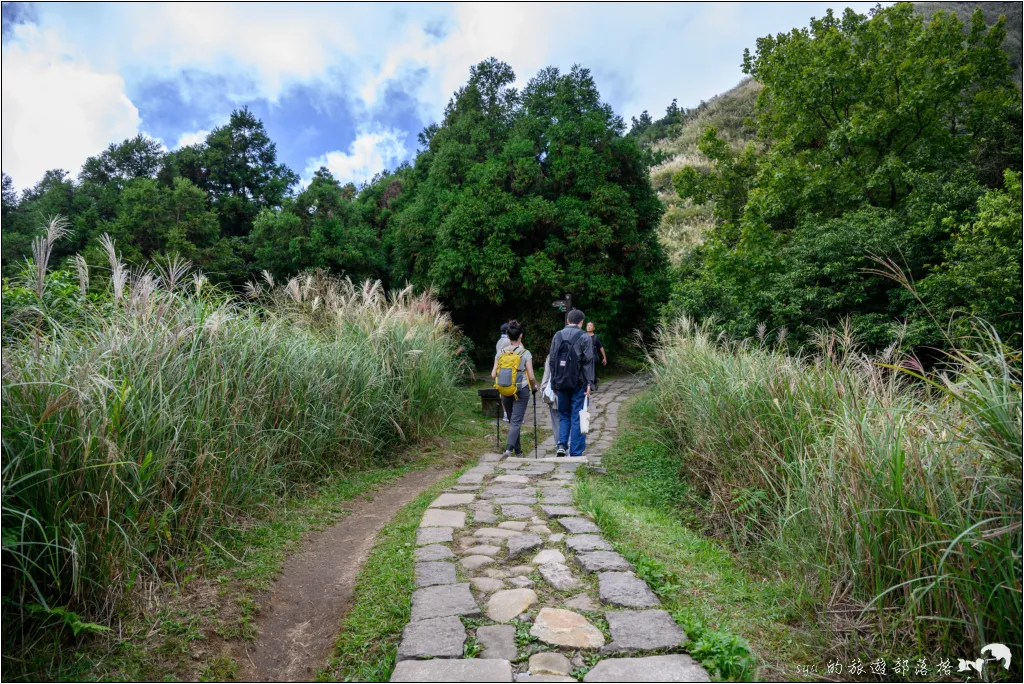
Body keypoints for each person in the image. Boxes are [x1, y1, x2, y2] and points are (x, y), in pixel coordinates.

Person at [549, 309, 595, 458]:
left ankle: (562, 445)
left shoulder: (557, 335)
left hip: (560, 382)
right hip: (578, 383)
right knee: (577, 415)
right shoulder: (584, 337)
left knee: (563, 415)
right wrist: (590, 384)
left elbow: (552, 360)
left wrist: (554, 384)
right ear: (581, 322)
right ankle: (576, 452)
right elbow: (588, 362)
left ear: (568, 320)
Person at [490, 319, 537, 457]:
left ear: (508, 336)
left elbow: (493, 374)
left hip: (504, 389)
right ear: (520, 335)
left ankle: (518, 452)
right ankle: (508, 450)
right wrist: (533, 388)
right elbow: (532, 377)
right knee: (516, 422)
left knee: (513, 422)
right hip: (521, 389)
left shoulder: (500, 353)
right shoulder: (525, 353)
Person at [539, 354, 560, 434]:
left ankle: (559, 444)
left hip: (554, 393)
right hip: (570, 393)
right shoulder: (575, 351)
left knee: (556, 420)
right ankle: (569, 442)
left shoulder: (551, 355)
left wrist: (544, 388)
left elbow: (546, 374)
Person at [496, 322, 511, 421]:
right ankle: (510, 413)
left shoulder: (499, 341)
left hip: (499, 369)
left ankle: (505, 413)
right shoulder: (508, 341)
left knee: (502, 393)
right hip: (508, 368)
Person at [586, 321, 607, 390]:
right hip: (585, 357)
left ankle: (592, 384)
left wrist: (604, 358)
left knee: (592, 371)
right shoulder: (583, 336)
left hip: (594, 357)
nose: (589, 327)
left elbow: (601, 347)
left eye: (591, 326)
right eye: (588, 325)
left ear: (593, 328)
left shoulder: (596, 337)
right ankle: (594, 381)